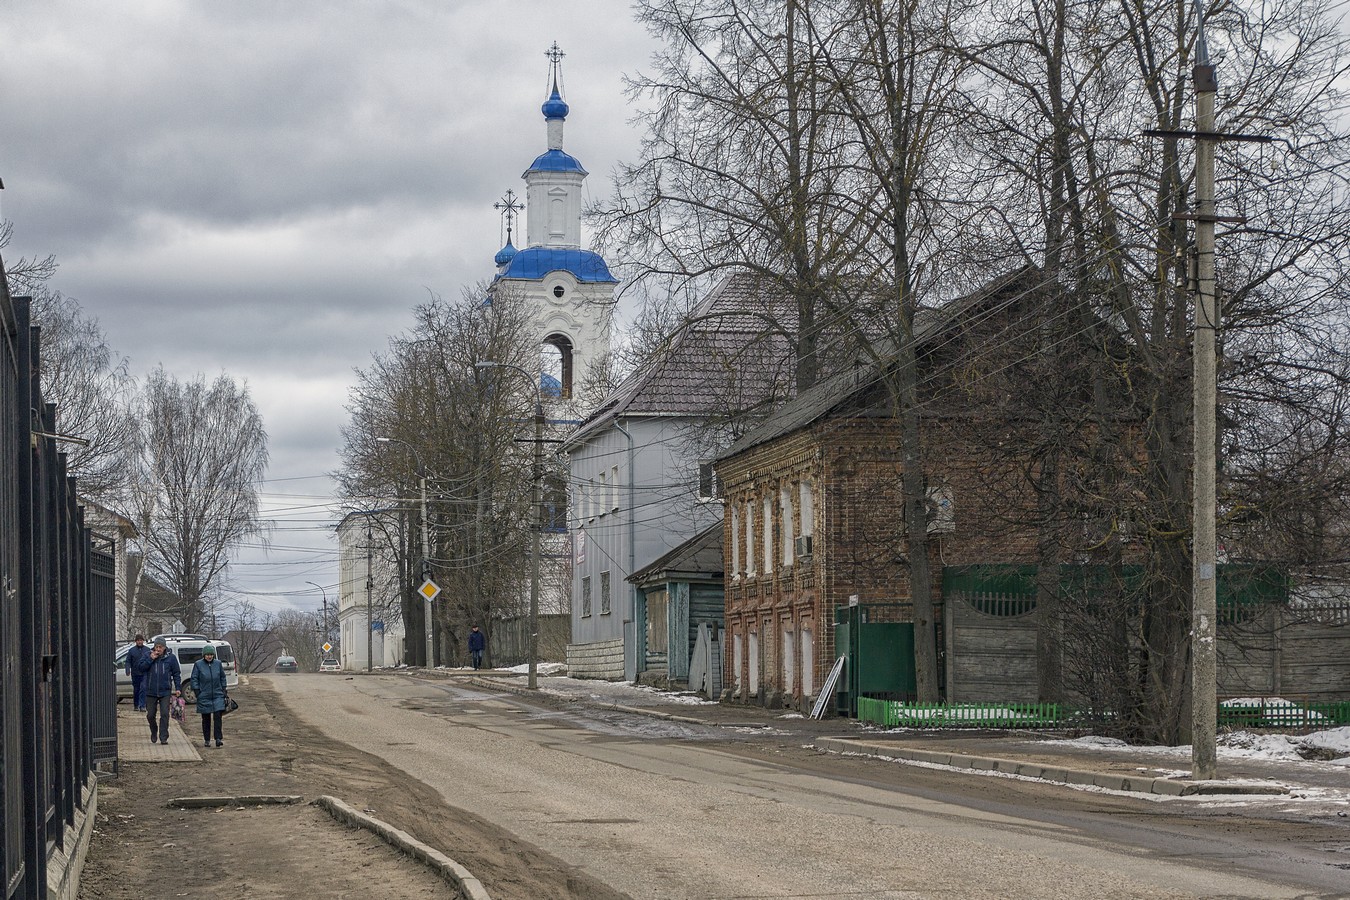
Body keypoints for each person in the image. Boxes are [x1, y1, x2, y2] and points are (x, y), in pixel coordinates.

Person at [133, 638, 181, 744]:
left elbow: (176, 673)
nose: (158, 649)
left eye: (160, 647)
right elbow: (140, 668)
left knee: (164, 713)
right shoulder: (147, 655)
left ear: (164, 647)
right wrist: (150, 659)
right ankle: (153, 731)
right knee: (150, 715)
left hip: (165, 691)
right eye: (156, 647)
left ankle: (163, 737)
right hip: (151, 690)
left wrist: (178, 688)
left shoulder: (171, 658)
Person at [190, 645, 229, 748]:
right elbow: (194, 678)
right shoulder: (198, 665)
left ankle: (218, 738)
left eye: (211, 654)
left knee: (218, 717)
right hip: (204, 695)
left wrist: (224, 689)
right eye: (207, 655)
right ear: (204, 655)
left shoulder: (218, 664)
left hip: (217, 694)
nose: (209, 656)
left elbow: (222, 677)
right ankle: (207, 739)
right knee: (206, 718)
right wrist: (198, 692)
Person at [125, 634, 151, 711]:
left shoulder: (147, 650)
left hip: (144, 673)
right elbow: (128, 661)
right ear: (136, 641)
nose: (140, 642)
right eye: (138, 640)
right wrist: (127, 669)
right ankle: (136, 705)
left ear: (143, 641)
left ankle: (142, 705)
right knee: (136, 689)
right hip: (135, 673)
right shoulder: (132, 651)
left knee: (143, 688)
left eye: (141, 640)